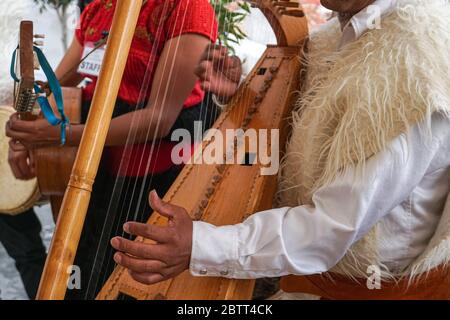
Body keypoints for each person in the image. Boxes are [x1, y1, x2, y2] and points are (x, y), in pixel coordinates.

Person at [110, 0, 450, 299]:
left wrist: (201, 246)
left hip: (375, 290)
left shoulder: (417, 61)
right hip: (315, 280)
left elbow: (332, 226)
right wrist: (240, 91)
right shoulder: (340, 33)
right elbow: (316, 131)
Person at [6, 0, 219, 299]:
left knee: (130, 279)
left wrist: (64, 134)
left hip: (156, 183)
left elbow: (158, 119)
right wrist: (24, 133)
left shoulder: (188, 8)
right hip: (95, 169)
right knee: (80, 273)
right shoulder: (99, 8)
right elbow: (53, 88)